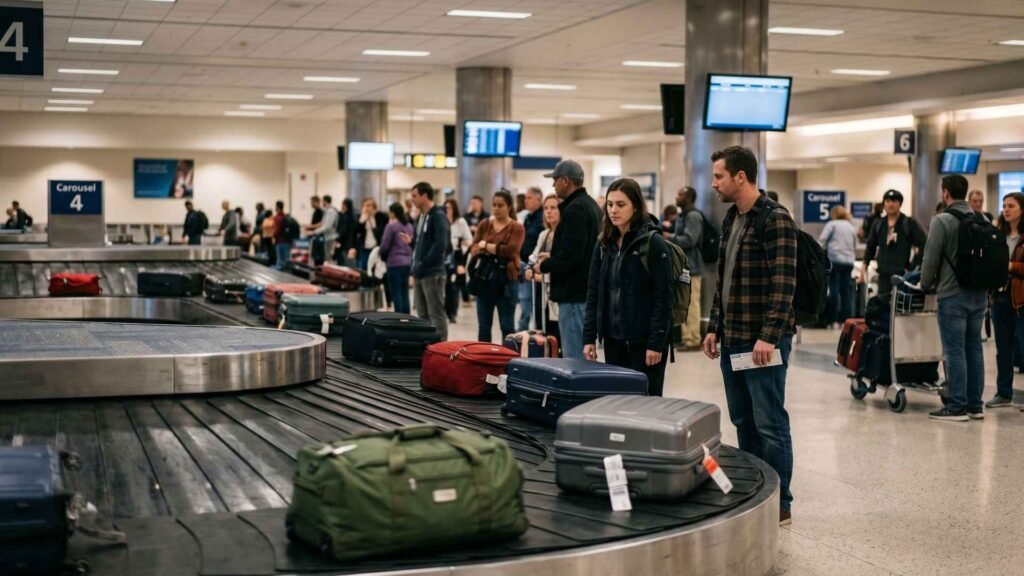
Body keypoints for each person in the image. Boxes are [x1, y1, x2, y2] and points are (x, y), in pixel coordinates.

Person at [702, 145, 797, 526]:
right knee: (743, 420)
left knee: (770, 422)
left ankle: (781, 502)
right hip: (734, 339)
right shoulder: (731, 218)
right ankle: (755, 493)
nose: (714, 184)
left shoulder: (775, 219)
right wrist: (714, 327)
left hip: (762, 343)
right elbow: (724, 279)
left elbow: (784, 284)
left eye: (719, 177)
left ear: (740, 177)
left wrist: (769, 336)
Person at [583, 178, 673, 395]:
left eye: (621, 205)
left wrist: (656, 343)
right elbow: (594, 293)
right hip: (613, 341)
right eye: (610, 204)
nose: (614, 210)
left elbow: (664, 297)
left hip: (643, 343)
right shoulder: (604, 243)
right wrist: (589, 338)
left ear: (636, 206)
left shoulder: (653, 243)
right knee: (618, 402)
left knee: (646, 404)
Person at [922, 175, 988, 421]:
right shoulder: (981, 218)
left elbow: (931, 259)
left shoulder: (942, 220)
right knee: (974, 349)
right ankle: (975, 405)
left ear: (945, 193)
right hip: (979, 294)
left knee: (955, 351)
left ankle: (957, 405)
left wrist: (925, 284)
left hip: (952, 295)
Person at [530, 160, 603, 360]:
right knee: (584, 352)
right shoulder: (592, 207)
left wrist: (543, 265)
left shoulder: (574, 210)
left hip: (574, 294)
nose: (553, 185)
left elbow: (571, 257)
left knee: (574, 357)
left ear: (565, 180)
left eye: (555, 180)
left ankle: (576, 391)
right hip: (586, 289)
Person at [469, 190, 525, 342]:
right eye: (494, 205)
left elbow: (511, 250)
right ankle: (483, 362)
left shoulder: (517, 228)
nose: (496, 208)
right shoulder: (485, 224)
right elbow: (473, 249)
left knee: (507, 326)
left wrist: (486, 246)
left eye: (500, 205)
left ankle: (508, 361)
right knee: (484, 327)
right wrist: (494, 249)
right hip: (484, 279)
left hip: (507, 281)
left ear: (509, 207)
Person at [987, 192, 1024, 409]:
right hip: (1000, 297)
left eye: (1011, 205)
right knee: (1003, 348)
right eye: (1004, 206)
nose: (1006, 209)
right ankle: (1003, 393)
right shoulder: (997, 236)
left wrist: (1011, 267)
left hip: (1020, 299)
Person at [861, 189, 927, 297]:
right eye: (887, 201)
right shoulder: (878, 224)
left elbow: (923, 244)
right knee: (883, 304)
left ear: (900, 204)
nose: (890, 204)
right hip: (883, 273)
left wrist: (913, 266)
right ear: (884, 204)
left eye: (894, 201)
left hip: (902, 274)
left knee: (899, 305)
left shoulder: (908, 223)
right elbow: (870, 246)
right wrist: (864, 267)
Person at [407, 182, 449, 341]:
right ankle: (427, 346)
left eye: (415, 196)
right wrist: (411, 242)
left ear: (425, 196)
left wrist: (423, 263)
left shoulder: (438, 216)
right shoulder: (422, 217)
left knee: (436, 313)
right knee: (422, 314)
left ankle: (441, 349)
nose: (413, 200)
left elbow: (440, 245)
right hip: (420, 272)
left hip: (432, 273)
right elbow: (421, 244)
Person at [666, 186, 705, 350]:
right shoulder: (683, 215)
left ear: (689, 197)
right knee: (682, 302)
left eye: (680, 194)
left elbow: (690, 239)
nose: (677, 197)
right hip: (682, 267)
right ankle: (685, 337)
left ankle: (693, 339)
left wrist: (670, 237)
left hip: (693, 267)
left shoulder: (694, 216)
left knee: (692, 303)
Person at [525, 194, 562, 344]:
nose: (548, 212)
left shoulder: (564, 235)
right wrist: (529, 269)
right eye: (546, 208)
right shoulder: (544, 234)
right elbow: (533, 256)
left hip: (558, 292)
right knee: (543, 333)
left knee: (557, 336)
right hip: (542, 293)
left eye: (553, 208)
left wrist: (543, 275)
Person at [820, 206, 858, 326]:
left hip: (835, 260)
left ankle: (833, 320)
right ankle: (845, 320)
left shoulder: (832, 224)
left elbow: (822, 240)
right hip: (849, 262)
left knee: (834, 290)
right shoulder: (851, 226)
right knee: (846, 291)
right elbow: (855, 244)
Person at [517, 187, 545, 331]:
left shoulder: (542, 219)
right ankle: (522, 332)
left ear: (538, 200)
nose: (526, 201)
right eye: (525, 198)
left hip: (535, 266)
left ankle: (531, 331)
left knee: (531, 304)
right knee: (524, 301)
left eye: (529, 198)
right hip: (524, 265)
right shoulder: (528, 217)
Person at [380, 202, 415, 314]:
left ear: (393, 213)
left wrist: (381, 254)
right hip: (407, 262)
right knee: (405, 291)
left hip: (394, 262)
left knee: (396, 291)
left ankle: (398, 316)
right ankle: (406, 316)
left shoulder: (391, 226)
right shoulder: (409, 225)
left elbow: (384, 245)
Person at [444, 198, 473, 323]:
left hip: (456, 256)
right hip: (444, 256)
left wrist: (460, 244)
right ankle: (445, 311)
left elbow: (469, 240)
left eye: (449, 208)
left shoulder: (461, 222)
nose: (447, 211)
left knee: (454, 286)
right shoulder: (443, 221)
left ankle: (452, 313)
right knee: (444, 286)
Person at [350, 198, 388, 271]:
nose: (366, 208)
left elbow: (381, 233)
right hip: (363, 248)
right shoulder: (359, 217)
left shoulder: (381, 217)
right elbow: (354, 232)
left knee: (376, 270)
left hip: (376, 248)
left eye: (368, 205)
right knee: (363, 269)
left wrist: (372, 222)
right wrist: (361, 221)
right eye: (364, 206)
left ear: (374, 207)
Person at [308, 195, 338, 266]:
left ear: (325, 201)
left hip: (330, 237)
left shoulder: (331, 211)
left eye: (322, 201)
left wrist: (314, 232)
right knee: (326, 258)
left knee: (329, 258)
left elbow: (327, 226)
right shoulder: (327, 210)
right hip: (327, 237)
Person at [272, 201, 293, 270]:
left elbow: (276, 230)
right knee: (287, 259)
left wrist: (273, 237)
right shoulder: (287, 217)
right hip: (288, 241)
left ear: (277, 207)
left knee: (280, 261)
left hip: (280, 241)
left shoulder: (277, 218)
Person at [335, 198, 356, 265]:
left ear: (345, 205)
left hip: (344, 243)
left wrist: (338, 239)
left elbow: (343, 230)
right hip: (351, 242)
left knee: (343, 262)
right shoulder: (353, 215)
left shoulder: (345, 216)